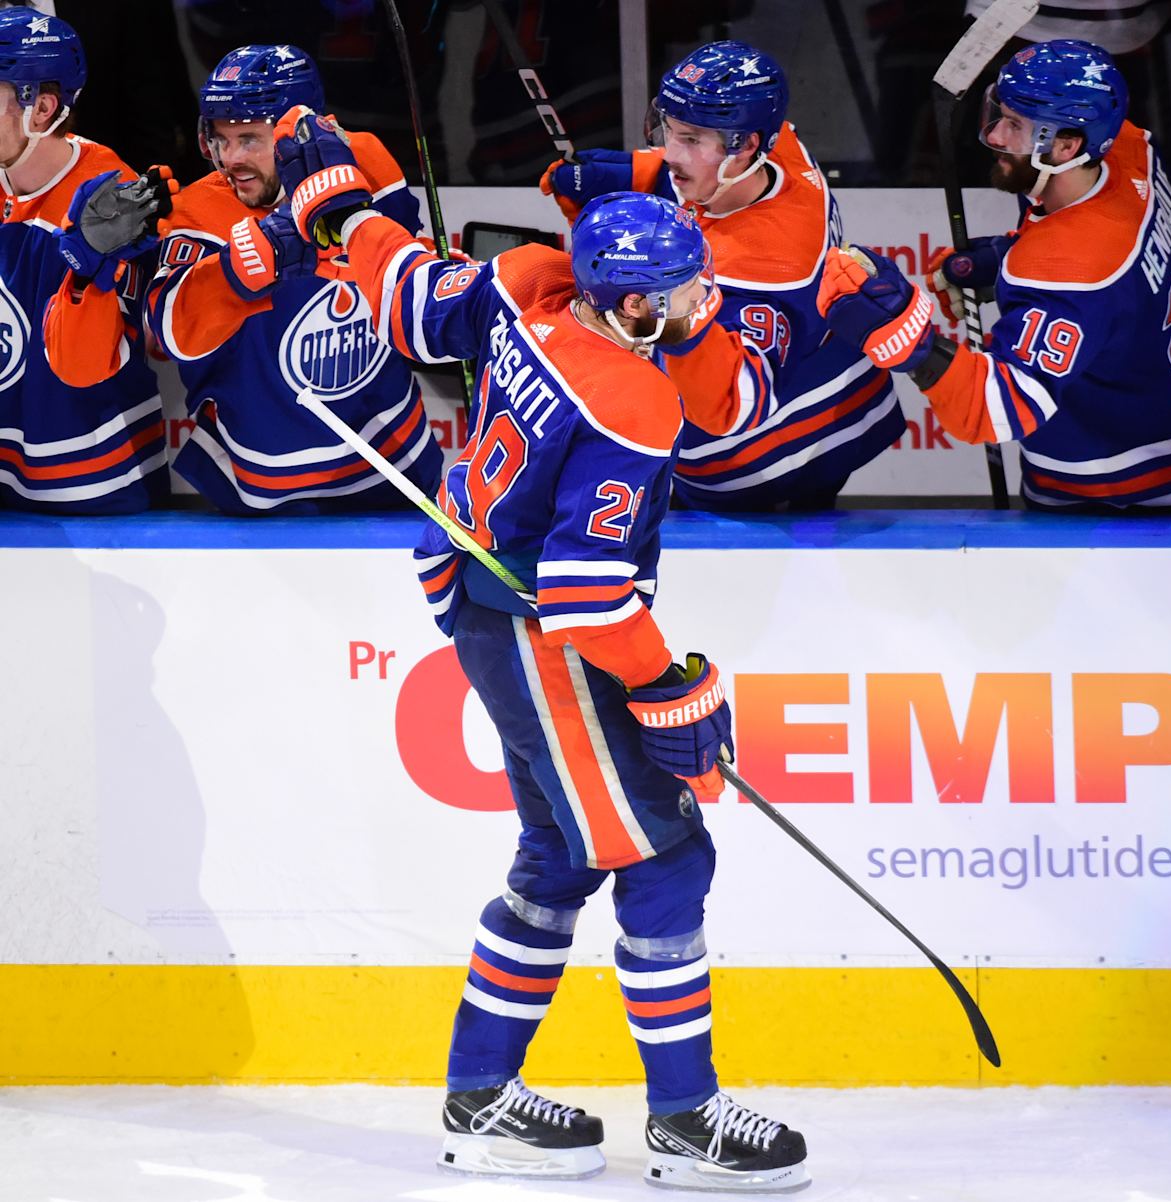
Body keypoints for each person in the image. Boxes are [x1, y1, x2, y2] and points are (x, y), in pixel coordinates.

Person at [269, 107, 809, 1189]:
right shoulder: (629, 404)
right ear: (636, 305)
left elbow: (414, 293)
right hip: (537, 628)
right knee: (664, 854)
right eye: (687, 292)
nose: (709, 302)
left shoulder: (523, 280)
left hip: (477, 588)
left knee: (560, 855)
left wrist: (341, 209)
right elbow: (587, 593)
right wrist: (669, 684)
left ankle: (482, 1097)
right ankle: (685, 1117)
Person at [822, 39, 1171, 512]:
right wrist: (1005, 256)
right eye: (1000, 113)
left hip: (1112, 483)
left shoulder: (1064, 266)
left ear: (1067, 145)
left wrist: (911, 340)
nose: (994, 136)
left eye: (1014, 126)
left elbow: (995, 409)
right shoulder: (1131, 148)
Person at [45, 44, 441, 514]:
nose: (231, 157)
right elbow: (173, 333)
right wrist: (244, 264)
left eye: (250, 139)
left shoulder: (367, 160)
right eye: (219, 139)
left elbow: (405, 278)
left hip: (399, 462)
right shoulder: (196, 212)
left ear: (303, 129)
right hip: (259, 486)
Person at [541, 40, 904, 511]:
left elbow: (731, 407)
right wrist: (634, 173)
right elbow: (694, 170)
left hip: (762, 460)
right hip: (824, 383)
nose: (671, 152)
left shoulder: (769, 264)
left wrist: (676, 320)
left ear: (749, 145)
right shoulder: (778, 145)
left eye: (689, 139)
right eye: (668, 130)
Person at [0, 8, 167, 512]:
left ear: (42, 109)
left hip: (93, 479)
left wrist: (87, 271)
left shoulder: (114, 200)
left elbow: (83, 366)